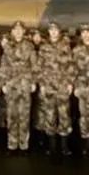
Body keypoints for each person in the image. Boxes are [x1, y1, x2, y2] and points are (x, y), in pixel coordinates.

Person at [0, 21, 38, 153]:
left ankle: (23, 144)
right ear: (12, 32)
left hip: (25, 84)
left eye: (20, 30)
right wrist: (2, 83)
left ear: (24, 32)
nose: (18, 32)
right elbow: (3, 65)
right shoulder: (7, 46)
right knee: (11, 115)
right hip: (11, 84)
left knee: (24, 115)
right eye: (15, 30)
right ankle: (12, 144)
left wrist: (34, 82)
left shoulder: (29, 46)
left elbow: (34, 65)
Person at [35, 24, 74, 154]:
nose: (53, 32)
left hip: (62, 85)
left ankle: (64, 146)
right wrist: (42, 84)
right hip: (48, 86)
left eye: (55, 30)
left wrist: (70, 83)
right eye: (51, 30)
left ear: (59, 32)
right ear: (49, 32)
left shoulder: (65, 46)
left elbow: (71, 65)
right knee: (50, 115)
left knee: (64, 115)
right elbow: (39, 67)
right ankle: (52, 146)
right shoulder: (44, 47)